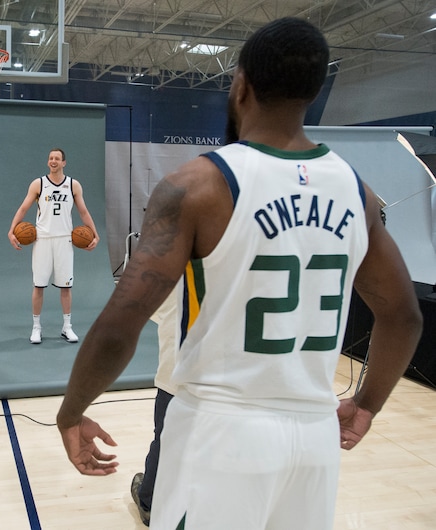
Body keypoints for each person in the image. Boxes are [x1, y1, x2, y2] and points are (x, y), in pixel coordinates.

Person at [56, 17, 422, 530]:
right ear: (312, 93)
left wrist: (71, 411)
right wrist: (366, 404)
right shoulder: (357, 192)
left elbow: (121, 324)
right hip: (313, 442)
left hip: (219, 437)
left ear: (241, 86)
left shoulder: (198, 186)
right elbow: (403, 316)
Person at [8, 148, 100, 344]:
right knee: (38, 285)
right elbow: (23, 208)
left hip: (64, 240)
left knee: (66, 287)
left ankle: (67, 327)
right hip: (42, 239)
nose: (53, 161)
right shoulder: (38, 184)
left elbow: (83, 212)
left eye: (57, 158)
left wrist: (95, 233)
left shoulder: (73, 185)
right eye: (50, 158)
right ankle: (36, 328)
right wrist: (11, 230)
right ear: (48, 162)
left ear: (64, 162)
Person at [130, 288, 177, 527]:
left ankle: (148, 500)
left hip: (177, 375)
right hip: (223, 377)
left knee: (165, 438)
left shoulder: (173, 261)